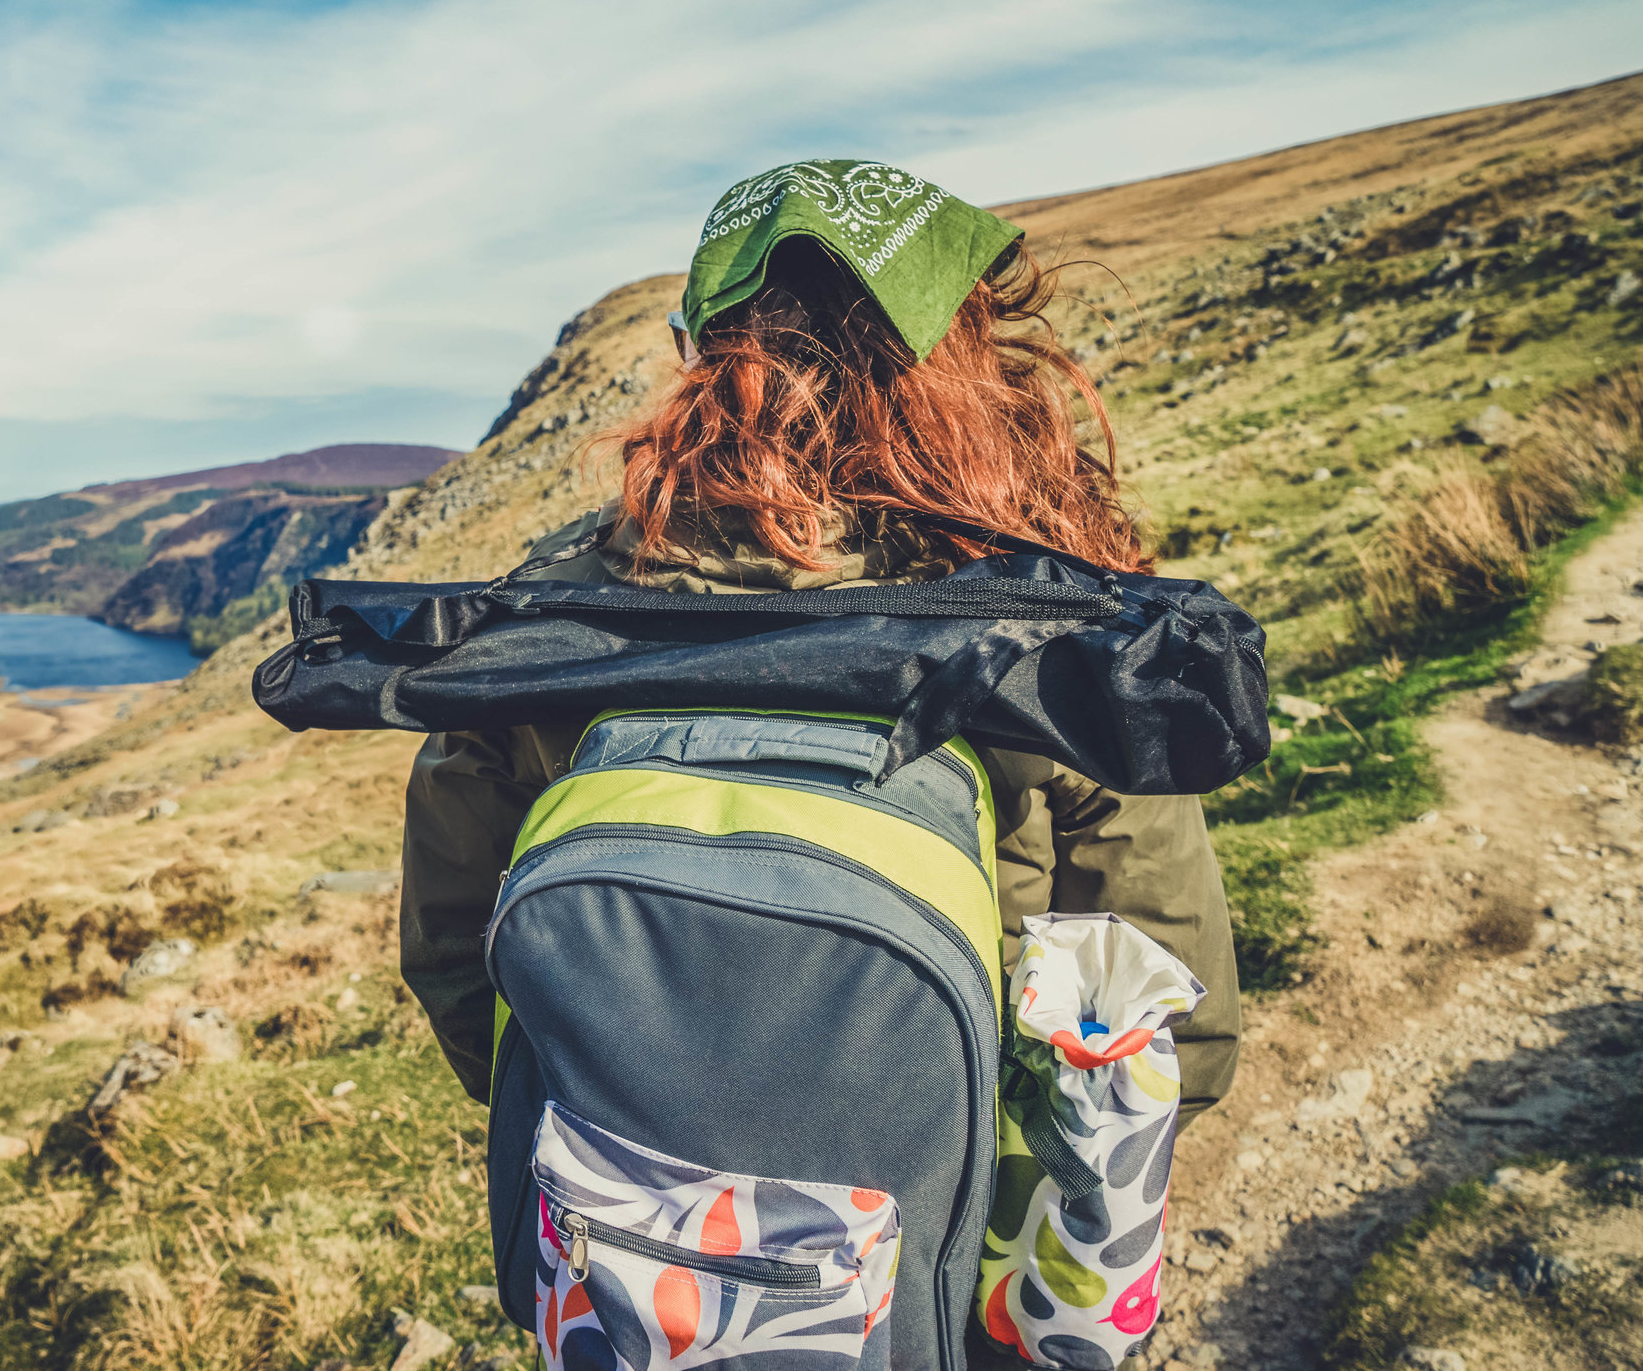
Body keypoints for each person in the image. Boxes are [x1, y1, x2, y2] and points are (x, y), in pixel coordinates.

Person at [398, 158, 1240, 1145]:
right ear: (966, 361)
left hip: (618, 1240)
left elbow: (455, 952)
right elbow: (1175, 1031)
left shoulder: (550, 613)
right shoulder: (1058, 629)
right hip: (935, 1246)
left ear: (692, 356)